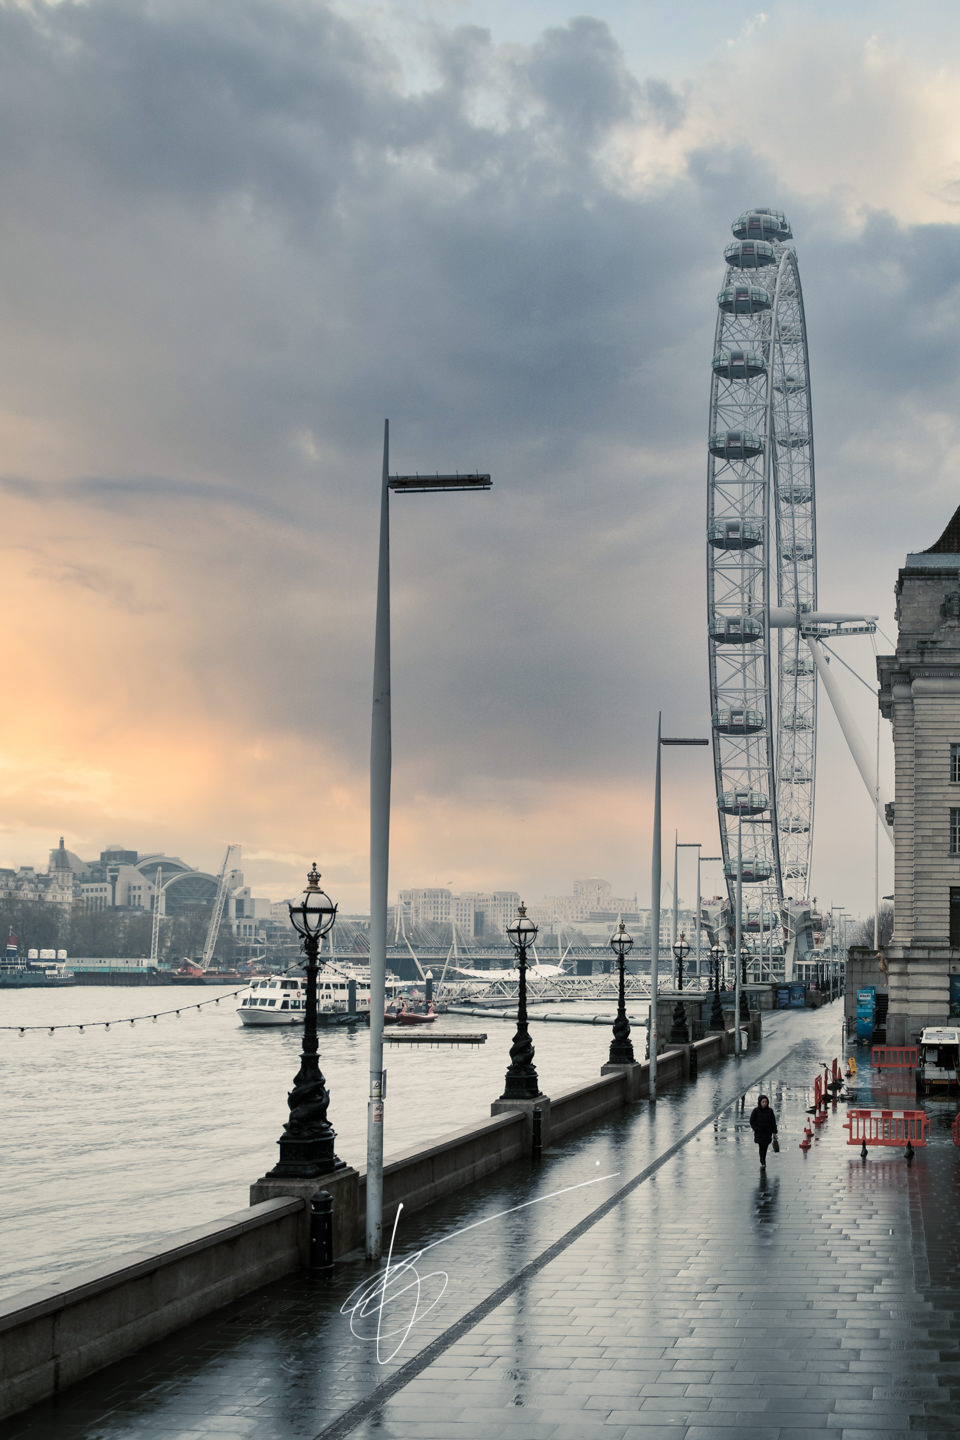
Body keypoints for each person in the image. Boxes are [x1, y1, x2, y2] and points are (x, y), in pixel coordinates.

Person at [749, 1094, 778, 1167]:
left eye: (766, 1102)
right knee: (761, 1147)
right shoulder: (756, 1111)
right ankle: (763, 1161)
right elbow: (752, 1121)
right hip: (759, 1133)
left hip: (768, 1133)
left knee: (765, 1147)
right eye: (763, 1102)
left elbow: (773, 1122)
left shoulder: (770, 1111)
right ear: (760, 1102)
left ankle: (763, 1159)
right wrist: (756, 1129)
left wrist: (774, 1132)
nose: (765, 1103)